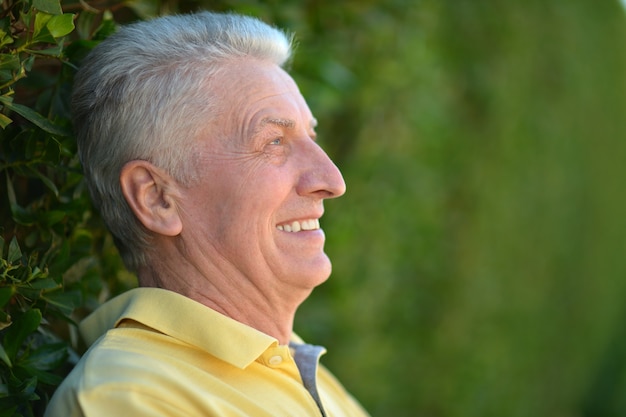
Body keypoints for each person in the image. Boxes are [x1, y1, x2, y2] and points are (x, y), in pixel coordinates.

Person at [45, 10, 370, 417]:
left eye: (310, 136)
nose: (332, 179)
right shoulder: (128, 400)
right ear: (156, 198)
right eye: (273, 141)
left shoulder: (310, 376)